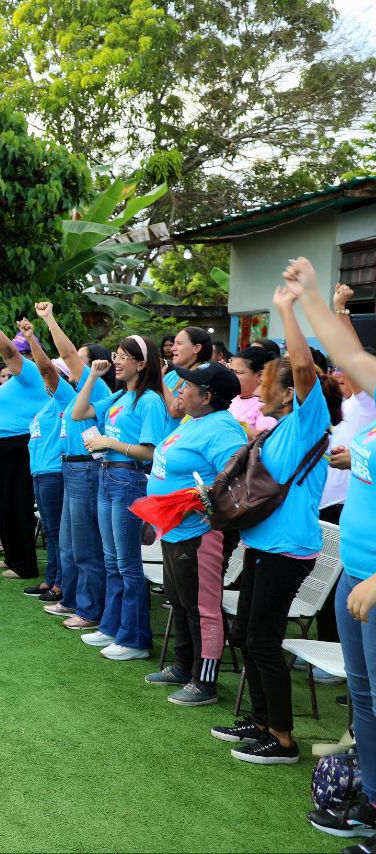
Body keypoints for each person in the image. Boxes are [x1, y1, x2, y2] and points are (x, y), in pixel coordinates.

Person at [211, 284, 344, 764]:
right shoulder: (280, 426)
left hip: (288, 551)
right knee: (247, 633)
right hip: (265, 546)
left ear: (291, 393)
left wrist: (286, 308)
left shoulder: (309, 421)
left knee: (264, 640)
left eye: (268, 383)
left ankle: (282, 739)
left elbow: (305, 366)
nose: (257, 390)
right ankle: (262, 719)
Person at [284, 259, 376, 844]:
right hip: (356, 575)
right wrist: (310, 299)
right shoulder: (369, 411)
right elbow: (348, 355)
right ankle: (371, 798)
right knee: (364, 699)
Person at [141, 361, 246, 694]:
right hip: (174, 528)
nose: (181, 388)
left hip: (201, 534)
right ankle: (184, 666)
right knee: (180, 599)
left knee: (202, 606)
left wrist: (202, 508)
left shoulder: (224, 430)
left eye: (189, 385)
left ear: (208, 395)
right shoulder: (195, 419)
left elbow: (234, 484)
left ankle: (205, 680)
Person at [71, 336, 167, 658]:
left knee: (127, 564)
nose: (117, 361)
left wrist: (109, 444)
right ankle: (112, 628)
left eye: (125, 357)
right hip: (108, 477)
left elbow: (149, 451)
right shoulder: (119, 396)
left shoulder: (149, 400)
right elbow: (78, 413)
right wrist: (93, 377)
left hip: (128, 479)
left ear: (142, 364)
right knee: (112, 560)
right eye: (116, 355)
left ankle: (135, 639)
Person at [32, 303, 112, 628]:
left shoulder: (101, 389)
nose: (72, 363)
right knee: (68, 543)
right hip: (70, 469)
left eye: (81, 359)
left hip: (87, 470)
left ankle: (90, 610)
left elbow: (65, 358)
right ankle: (72, 600)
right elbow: (48, 371)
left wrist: (50, 319)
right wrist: (32, 339)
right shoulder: (72, 393)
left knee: (85, 545)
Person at [0, 308, 46, 573]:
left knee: (17, 505)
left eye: (24, 351)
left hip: (16, 445)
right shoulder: (17, 379)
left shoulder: (31, 372)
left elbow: (8, 353)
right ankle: (13, 557)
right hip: (2, 448)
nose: (19, 356)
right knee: (5, 504)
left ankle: (24, 564)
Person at [16, 318, 74, 593]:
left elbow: (47, 368)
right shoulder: (47, 403)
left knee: (56, 531)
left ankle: (59, 584)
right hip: (40, 472)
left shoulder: (65, 397)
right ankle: (51, 579)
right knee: (52, 531)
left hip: (53, 473)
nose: (43, 379)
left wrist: (31, 339)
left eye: (48, 376)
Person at [163, 326, 214, 431]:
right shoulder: (171, 374)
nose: (173, 348)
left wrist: (159, 382)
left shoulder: (203, 376)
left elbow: (177, 412)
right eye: (174, 343)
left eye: (179, 343)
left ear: (196, 348)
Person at [229, 346, 278, 437]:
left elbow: (265, 437)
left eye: (238, 372)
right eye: (231, 371)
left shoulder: (264, 404)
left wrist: (227, 425)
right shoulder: (230, 396)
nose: (231, 376)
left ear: (260, 375)